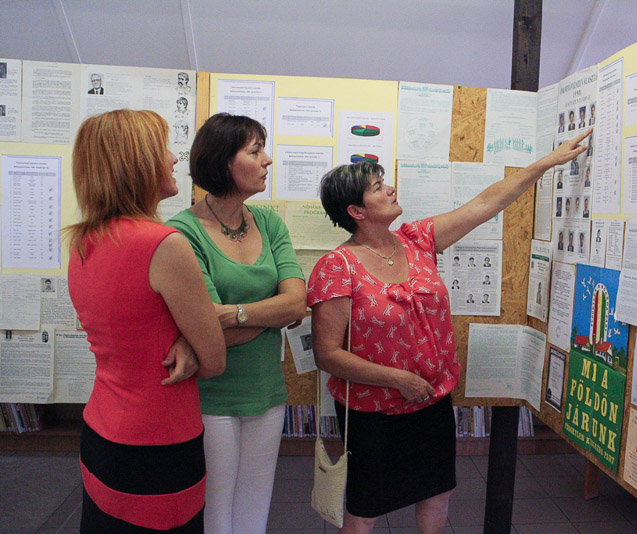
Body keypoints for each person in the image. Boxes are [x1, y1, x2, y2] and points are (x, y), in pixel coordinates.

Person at [307, 130, 590, 533]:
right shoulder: (338, 266)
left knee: (437, 492)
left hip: (431, 399)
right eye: (378, 187)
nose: (390, 189)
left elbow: (485, 204)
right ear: (356, 210)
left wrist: (547, 162)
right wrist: (398, 379)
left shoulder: (417, 241)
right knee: (366, 505)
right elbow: (328, 354)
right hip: (373, 410)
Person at [66, 109, 226, 532]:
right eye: (163, 149)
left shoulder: (84, 241)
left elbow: (132, 327)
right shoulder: (164, 243)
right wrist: (195, 340)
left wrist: (187, 340)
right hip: (159, 439)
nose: (174, 158)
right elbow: (214, 360)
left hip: (102, 430)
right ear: (136, 163)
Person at [167, 113, 306, 533]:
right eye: (255, 151)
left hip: (266, 390)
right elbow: (204, 330)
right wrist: (272, 314)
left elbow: (297, 302)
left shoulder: (269, 222)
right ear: (224, 161)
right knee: (215, 511)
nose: (267, 160)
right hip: (211, 395)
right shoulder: (183, 232)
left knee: (255, 508)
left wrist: (233, 314)